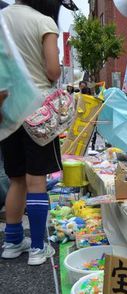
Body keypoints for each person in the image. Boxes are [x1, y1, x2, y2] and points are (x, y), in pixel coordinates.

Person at [0, 0, 64, 265]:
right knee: (36, 180)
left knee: (17, 179)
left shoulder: (2, 18)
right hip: (38, 112)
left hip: (7, 110)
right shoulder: (43, 22)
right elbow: (52, 70)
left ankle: (12, 242)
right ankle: (38, 247)